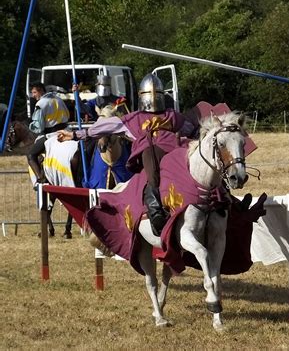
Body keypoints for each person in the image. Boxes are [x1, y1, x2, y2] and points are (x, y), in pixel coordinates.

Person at [57, 73, 197, 237]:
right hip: (160, 154)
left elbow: (192, 129)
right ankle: (156, 211)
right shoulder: (143, 118)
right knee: (151, 172)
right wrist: (76, 135)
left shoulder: (166, 116)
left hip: (170, 154)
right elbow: (106, 126)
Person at [27, 82, 70, 183]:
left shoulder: (40, 104)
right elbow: (67, 115)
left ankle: (40, 179)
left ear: (41, 90)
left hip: (52, 134)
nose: (33, 95)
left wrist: (30, 126)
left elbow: (38, 127)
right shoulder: (59, 99)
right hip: (66, 131)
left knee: (31, 155)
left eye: (34, 92)